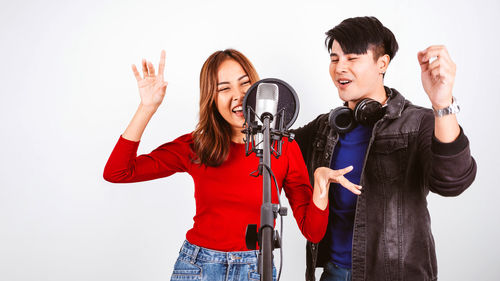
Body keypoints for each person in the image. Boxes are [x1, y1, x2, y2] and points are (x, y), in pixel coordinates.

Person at [103, 49, 334, 281]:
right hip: (198, 267)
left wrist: (321, 185)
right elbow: (118, 172)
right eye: (224, 88)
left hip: (256, 268)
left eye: (245, 84)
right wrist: (147, 108)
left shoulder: (282, 147)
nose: (238, 96)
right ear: (211, 99)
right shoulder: (197, 145)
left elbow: (313, 232)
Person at [291, 17, 477, 281]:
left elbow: (453, 180)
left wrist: (442, 103)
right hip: (334, 273)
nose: (339, 68)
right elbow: (271, 154)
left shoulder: (418, 122)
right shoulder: (326, 126)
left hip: (396, 274)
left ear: (382, 63)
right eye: (334, 59)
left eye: (352, 58)